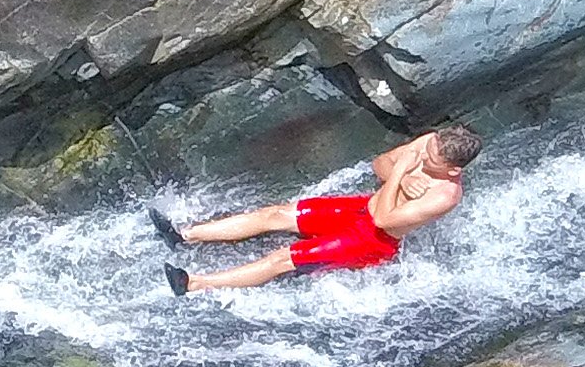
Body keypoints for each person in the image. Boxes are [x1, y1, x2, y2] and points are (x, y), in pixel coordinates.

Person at [160, 125, 483, 295]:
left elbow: (385, 221)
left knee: (282, 259)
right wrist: (401, 174)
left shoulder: (445, 195)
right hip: (361, 208)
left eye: (431, 161)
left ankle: (194, 284)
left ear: (453, 170)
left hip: (372, 241)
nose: (421, 156)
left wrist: (400, 174)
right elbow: (380, 163)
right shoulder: (430, 144)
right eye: (425, 150)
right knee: (276, 214)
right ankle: (184, 235)